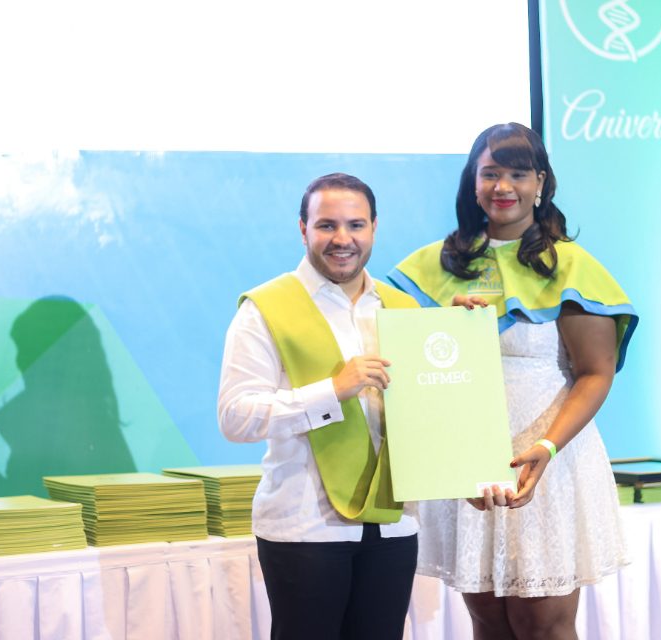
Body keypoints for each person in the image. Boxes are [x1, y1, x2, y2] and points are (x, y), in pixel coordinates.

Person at [388, 123, 638, 640]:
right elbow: (407, 365)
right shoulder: (434, 266)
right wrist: (447, 322)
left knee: (542, 623)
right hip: (468, 465)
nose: (503, 186)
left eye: (518, 174)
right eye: (491, 174)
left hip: (548, 460)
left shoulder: (570, 266)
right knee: (488, 619)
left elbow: (595, 373)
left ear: (540, 183)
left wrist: (546, 447)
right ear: (473, 182)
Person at [218, 173, 420, 640]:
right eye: (327, 225)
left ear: (374, 228)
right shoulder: (264, 309)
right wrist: (331, 392)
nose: (342, 239)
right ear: (303, 229)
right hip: (305, 527)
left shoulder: (403, 308)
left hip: (393, 525)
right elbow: (235, 417)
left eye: (356, 225)